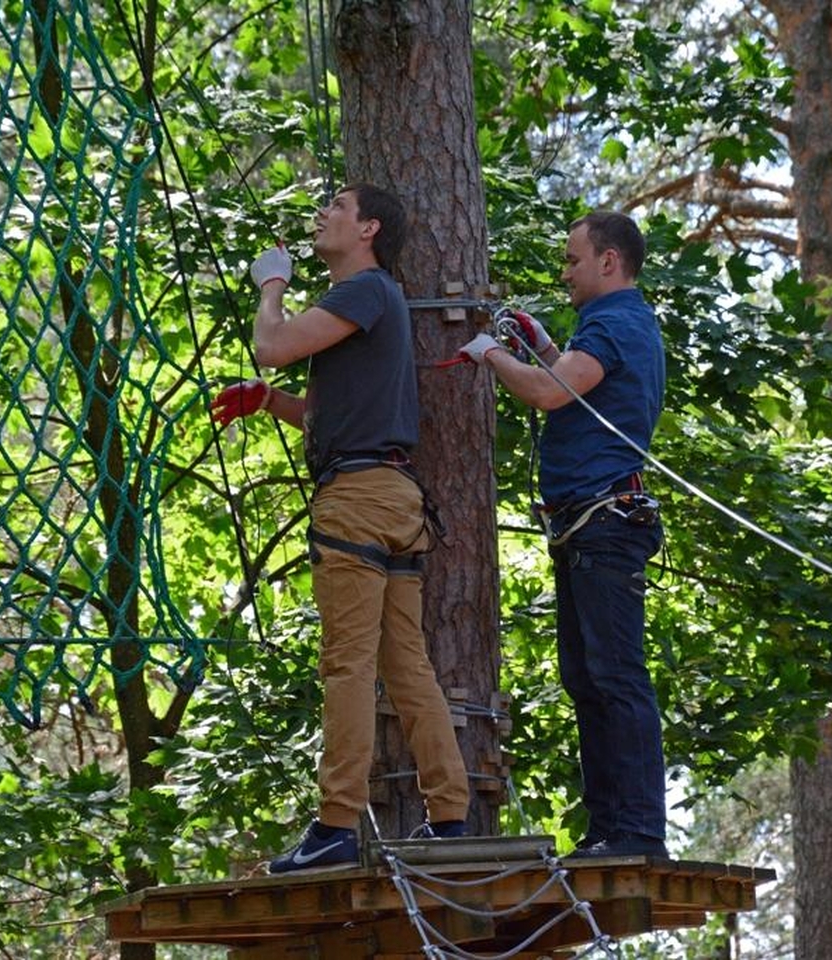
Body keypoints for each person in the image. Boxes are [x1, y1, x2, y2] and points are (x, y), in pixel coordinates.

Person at [210, 183, 470, 872]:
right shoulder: (372, 305)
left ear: (368, 229)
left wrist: (271, 285)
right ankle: (449, 818)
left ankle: (335, 827)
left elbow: (272, 344)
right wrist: (269, 402)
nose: (321, 215)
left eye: (336, 208)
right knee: (404, 665)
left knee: (346, 663)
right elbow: (332, 416)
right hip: (390, 495)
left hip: (357, 499)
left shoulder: (360, 291)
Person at [459, 211, 668, 859]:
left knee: (613, 675)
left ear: (609, 262)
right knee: (587, 677)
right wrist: (544, 347)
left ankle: (635, 831)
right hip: (588, 527)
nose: (564, 272)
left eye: (572, 260)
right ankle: (609, 829)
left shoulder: (615, 320)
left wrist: (490, 352)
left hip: (605, 524)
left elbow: (550, 396)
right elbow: (576, 388)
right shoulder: (609, 327)